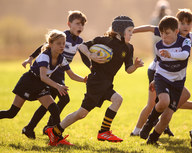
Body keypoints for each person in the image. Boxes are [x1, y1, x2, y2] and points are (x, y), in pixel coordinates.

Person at [44, 15, 144, 146]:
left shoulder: (128, 48)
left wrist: (135, 66)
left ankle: (58, 131)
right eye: (129, 31)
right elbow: (82, 47)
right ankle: (58, 131)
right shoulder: (104, 40)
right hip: (96, 81)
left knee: (89, 110)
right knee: (85, 111)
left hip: (106, 83)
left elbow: (128, 69)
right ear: (120, 30)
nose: (132, 34)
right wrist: (91, 55)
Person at [131, 9, 192, 138]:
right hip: (157, 70)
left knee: (179, 97)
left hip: (173, 75)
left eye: (188, 23)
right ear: (177, 24)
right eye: (182, 23)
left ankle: (163, 123)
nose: (185, 26)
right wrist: (132, 30)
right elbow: (149, 28)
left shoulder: (190, 38)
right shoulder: (168, 31)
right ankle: (136, 131)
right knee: (153, 103)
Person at [0, 29, 87, 145]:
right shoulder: (44, 56)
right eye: (58, 43)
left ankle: (56, 138)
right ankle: (43, 132)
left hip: (40, 85)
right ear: (50, 44)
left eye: (63, 43)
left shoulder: (61, 58)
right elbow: (43, 77)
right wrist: (58, 86)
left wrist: (84, 80)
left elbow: (71, 75)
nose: (62, 46)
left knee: (54, 109)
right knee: (11, 113)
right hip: (28, 83)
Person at [21, 10, 91, 139]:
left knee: (51, 103)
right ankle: (48, 127)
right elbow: (44, 46)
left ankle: (33, 127)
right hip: (52, 74)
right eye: (77, 24)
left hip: (61, 74)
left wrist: (91, 67)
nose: (80, 27)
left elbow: (84, 57)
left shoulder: (80, 41)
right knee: (62, 99)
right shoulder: (62, 36)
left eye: (82, 25)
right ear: (69, 24)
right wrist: (31, 58)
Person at [139, 16, 191, 146]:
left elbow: (185, 55)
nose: (163, 36)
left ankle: (152, 139)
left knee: (167, 116)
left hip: (178, 82)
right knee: (163, 102)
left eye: (167, 33)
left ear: (176, 31)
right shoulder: (158, 45)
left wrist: (171, 54)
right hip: (162, 77)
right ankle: (149, 123)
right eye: (161, 33)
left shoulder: (185, 42)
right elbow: (158, 62)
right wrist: (154, 79)